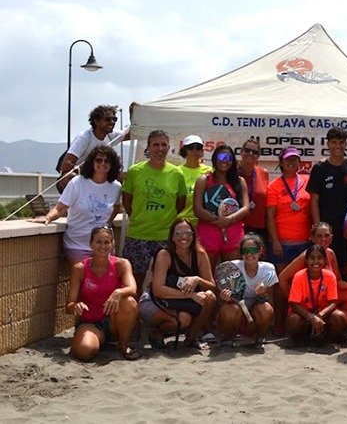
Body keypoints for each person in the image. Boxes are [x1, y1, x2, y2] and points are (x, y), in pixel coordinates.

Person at [122, 130, 189, 293]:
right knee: (134, 283)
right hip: (138, 235)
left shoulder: (177, 173)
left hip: (165, 237)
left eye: (164, 144)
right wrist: (140, 217)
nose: (160, 148)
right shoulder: (134, 171)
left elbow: (180, 203)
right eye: (156, 145)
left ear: (168, 147)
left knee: (164, 282)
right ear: (148, 148)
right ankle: (134, 316)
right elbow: (127, 202)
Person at [32, 144, 122, 264]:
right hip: (77, 245)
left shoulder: (116, 187)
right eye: (99, 160)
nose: (103, 163)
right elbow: (61, 207)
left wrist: (106, 225)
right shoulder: (77, 183)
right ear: (91, 162)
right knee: (84, 280)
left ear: (113, 164)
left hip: (104, 246)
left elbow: (115, 208)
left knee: (105, 282)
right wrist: (48, 217)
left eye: (107, 161)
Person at [65, 225, 139, 361]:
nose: (103, 246)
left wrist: (118, 291)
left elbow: (132, 288)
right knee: (84, 352)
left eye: (107, 242)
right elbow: (69, 305)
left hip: (113, 320)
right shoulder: (80, 268)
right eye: (98, 242)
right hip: (90, 322)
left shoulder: (121, 264)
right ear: (91, 244)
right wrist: (75, 306)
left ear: (113, 244)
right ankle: (99, 341)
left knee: (129, 302)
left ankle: (123, 345)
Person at [148, 217, 218, 349]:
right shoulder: (164, 254)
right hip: (160, 300)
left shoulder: (200, 254)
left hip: (186, 300)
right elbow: (158, 289)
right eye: (178, 233)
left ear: (193, 235)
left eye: (187, 233)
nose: (183, 237)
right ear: (172, 237)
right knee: (184, 319)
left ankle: (190, 338)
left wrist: (197, 279)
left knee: (210, 297)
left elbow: (212, 286)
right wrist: (191, 295)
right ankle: (157, 333)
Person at [308, 127, 347, 277]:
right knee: (328, 269)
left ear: (346, 144)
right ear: (328, 144)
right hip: (328, 231)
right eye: (334, 142)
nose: (338, 146)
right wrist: (317, 228)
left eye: (341, 142)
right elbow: (314, 200)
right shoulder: (319, 169)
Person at [276, 222, 347, 324]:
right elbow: (282, 278)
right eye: (319, 236)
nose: (324, 239)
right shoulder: (306, 256)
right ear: (312, 238)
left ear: (331, 237)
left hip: (326, 298)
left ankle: (333, 323)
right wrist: (293, 302)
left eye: (327, 235)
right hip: (308, 301)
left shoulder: (330, 253)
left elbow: (338, 281)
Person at [215, 233, 277, 347]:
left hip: (255, 314)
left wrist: (263, 295)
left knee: (266, 309)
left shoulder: (269, 269)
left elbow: (270, 301)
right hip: (237, 314)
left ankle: (260, 338)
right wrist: (226, 298)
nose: (249, 254)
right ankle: (228, 338)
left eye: (253, 250)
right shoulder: (231, 267)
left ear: (260, 251)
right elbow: (222, 302)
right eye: (245, 250)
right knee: (230, 309)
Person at [193, 144, 249, 263]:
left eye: (228, 158)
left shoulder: (240, 181)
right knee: (206, 276)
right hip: (208, 233)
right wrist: (218, 220)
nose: (224, 161)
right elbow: (197, 209)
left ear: (232, 161)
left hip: (233, 233)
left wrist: (229, 219)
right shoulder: (204, 180)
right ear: (214, 159)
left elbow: (246, 208)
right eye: (221, 157)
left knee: (232, 276)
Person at [286, 244, 347, 344]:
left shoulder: (330, 276)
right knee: (294, 320)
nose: (316, 261)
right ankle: (302, 342)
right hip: (304, 315)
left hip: (323, 315)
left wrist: (320, 315)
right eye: (312, 258)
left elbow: (333, 303)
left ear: (325, 261)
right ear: (306, 261)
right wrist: (311, 317)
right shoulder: (299, 276)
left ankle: (327, 340)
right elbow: (294, 304)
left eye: (320, 258)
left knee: (339, 316)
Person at [58, 104, 121, 192]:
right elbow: (66, 165)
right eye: (107, 119)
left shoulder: (111, 135)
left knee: (120, 176)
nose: (112, 122)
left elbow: (133, 132)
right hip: (80, 176)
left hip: (97, 175)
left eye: (114, 119)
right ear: (96, 121)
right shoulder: (84, 138)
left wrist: (133, 114)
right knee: (70, 176)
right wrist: (90, 171)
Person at [267, 147, 313, 265]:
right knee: (282, 279)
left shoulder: (308, 181)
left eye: (294, 159)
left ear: (299, 162)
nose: (291, 162)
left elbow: (314, 208)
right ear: (281, 162)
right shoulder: (273, 186)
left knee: (302, 278)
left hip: (305, 241)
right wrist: (275, 241)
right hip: (282, 244)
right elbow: (270, 216)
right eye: (288, 159)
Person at [237, 139, 270, 240]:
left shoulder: (264, 173)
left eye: (255, 152)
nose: (250, 154)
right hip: (237, 226)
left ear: (258, 156)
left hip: (260, 228)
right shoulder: (232, 173)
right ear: (241, 152)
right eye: (247, 150)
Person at [176, 134, 212, 224]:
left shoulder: (210, 171)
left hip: (204, 223)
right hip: (182, 223)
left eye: (198, 147)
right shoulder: (176, 172)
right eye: (190, 147)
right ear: (184, 150)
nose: (194, 151)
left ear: (202, 151)